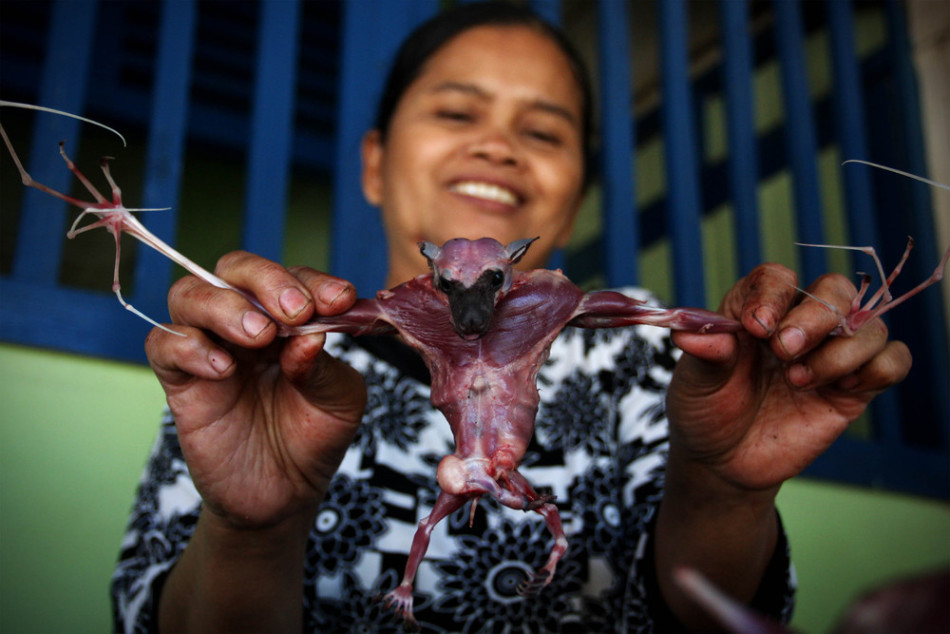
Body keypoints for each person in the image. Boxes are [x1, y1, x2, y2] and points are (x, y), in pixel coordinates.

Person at [111, 3, 910, 632]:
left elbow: (711, 619)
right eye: (457, 113)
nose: (497, 146)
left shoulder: (653, 359)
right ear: (375, 163)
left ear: (577, 194)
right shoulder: (259, 368)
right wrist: (250, 533)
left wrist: (723, 491)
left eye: (542, 130)